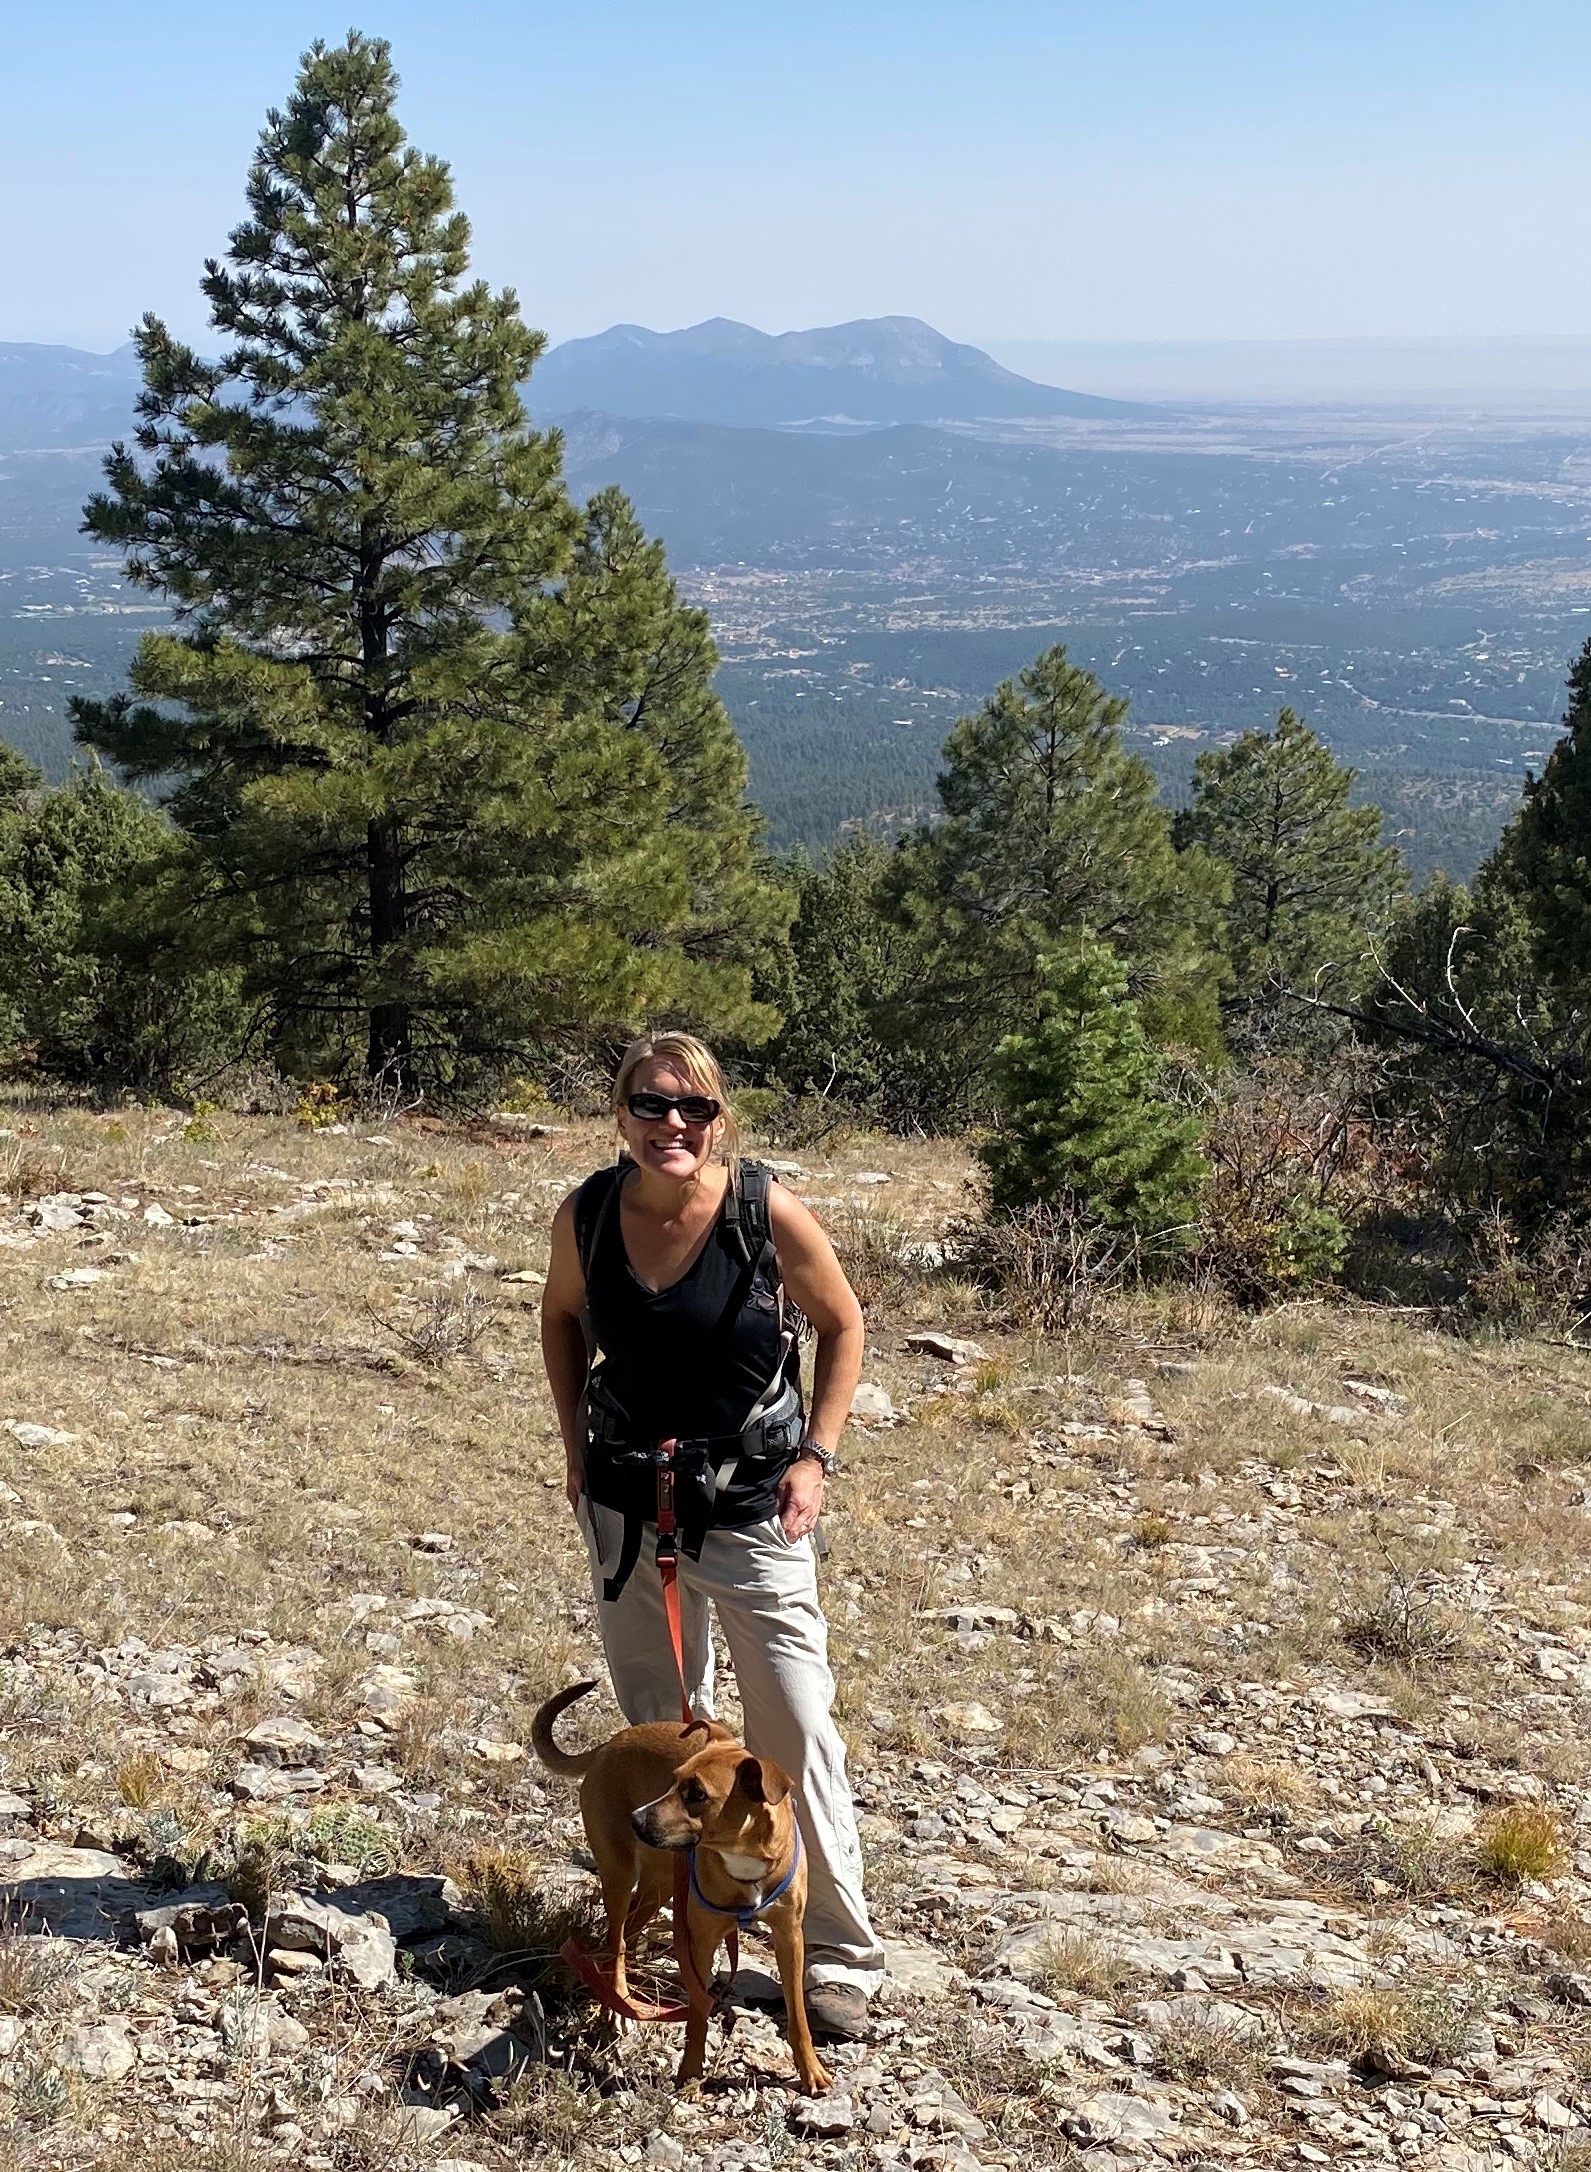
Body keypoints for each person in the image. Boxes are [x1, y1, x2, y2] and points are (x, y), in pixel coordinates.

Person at [540, 1030, 884, 2038]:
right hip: (625, 1500)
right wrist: (571, 1446)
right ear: (620, 1117)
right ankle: (694, 1926)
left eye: (692, 1108)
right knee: (666, 1725)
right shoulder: (590, 1214)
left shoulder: (759, 1210)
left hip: (750, 1502)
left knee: (789, 1725)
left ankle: (834, 1952)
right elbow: (561, 1318)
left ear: (719, 1119)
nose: (672, 1125)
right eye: (651, 1105)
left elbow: (845, 1324)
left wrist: (816, 1454)